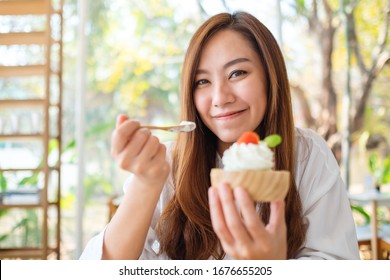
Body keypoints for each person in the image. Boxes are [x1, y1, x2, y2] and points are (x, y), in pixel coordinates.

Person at [80, 11, 359, 260]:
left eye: (237, 73)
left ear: (269, 76)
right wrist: (146, 183)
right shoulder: (164, 163)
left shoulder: (307, 154)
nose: (220, 98)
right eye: (202, 81)